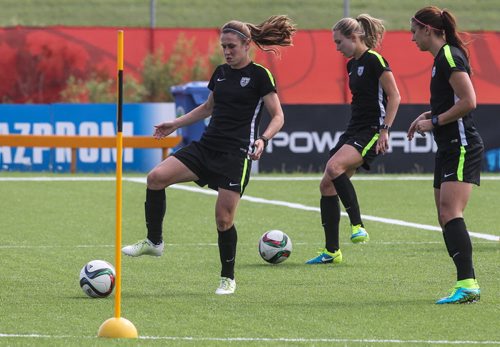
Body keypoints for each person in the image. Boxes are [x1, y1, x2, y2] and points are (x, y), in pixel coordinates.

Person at [122, 15, 296, 295]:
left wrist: (263, 139)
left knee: (223, 220)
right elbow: (207, 108)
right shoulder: (221, 73)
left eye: (232, 46)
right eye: (223, 46)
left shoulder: (261, 76)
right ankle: (154, 242)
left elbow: (278, 116)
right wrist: (174, 124)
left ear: (246, 45)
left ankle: (228, 278)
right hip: (206, 147)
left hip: (236, 154)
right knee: (155, 178)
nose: (227, 52)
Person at [306, 14, 400, 264]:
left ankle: (358, 225)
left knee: (334, 167)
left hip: (371, 130)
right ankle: (331, 252)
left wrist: (385, 129)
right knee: (326, 185)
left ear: (354, 37)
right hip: (354, 129)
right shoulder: (352, 65)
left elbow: (395, 96)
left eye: (339, 42)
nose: (337, 48)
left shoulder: (375, 60)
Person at [408, 6, 483, 304]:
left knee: (451, 212)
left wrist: (435, 121)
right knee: (444, 214)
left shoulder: (449, 55)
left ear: (428, 29)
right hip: (449, 145)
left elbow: (469, 101)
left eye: (414, 31)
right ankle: (465, 282)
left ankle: (468, 284)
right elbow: (452, 101)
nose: (412, 38)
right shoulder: (441, 58)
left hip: (461, 145)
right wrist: (428, 115)